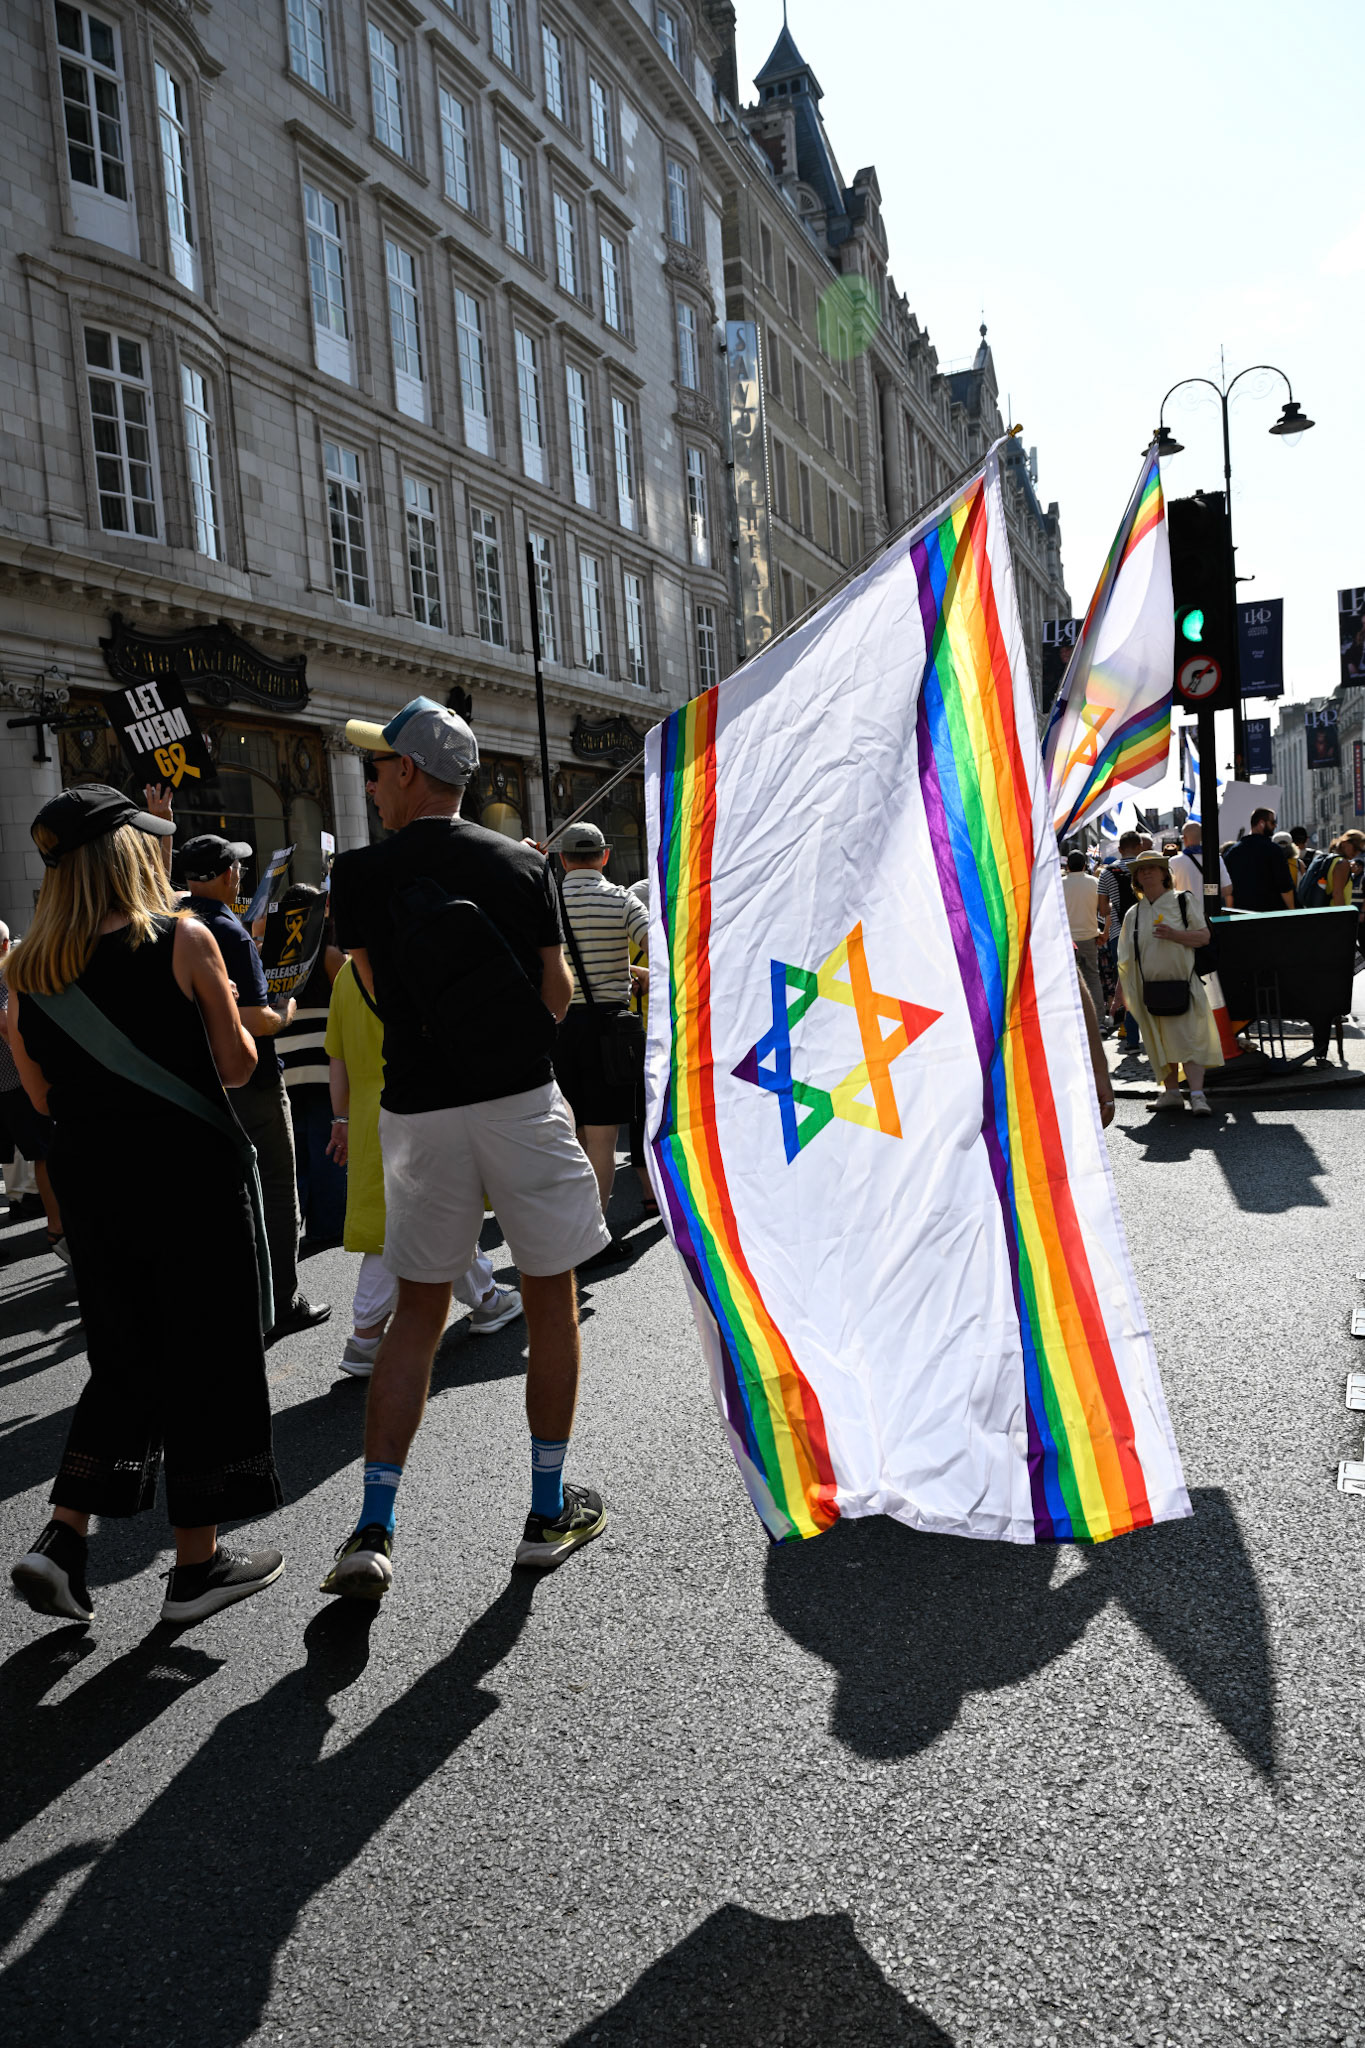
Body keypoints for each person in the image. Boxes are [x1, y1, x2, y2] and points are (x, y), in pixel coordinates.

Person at [325, 697, 610, 1599]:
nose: (371, 784)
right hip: (519, 1099)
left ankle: (374, 1525)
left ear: (411, 771)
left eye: (378, 768)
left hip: (417, 1111)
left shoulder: (362, 874)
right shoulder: (521, 865)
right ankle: (545, 1506)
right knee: (548, 1295)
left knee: (416, 1314)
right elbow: (556, 992)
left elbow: (373, 993)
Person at [6, 785, 284, 1626]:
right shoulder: (184, 938)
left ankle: (63, 1536)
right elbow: (235, 1067)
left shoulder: (24, 970)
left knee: (124, 1357)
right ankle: (195, 1570)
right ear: (128, 853)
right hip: (187, 1176)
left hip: (93, 1181)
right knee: (205, 1355)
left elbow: (42, 1095)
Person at [324, 953, 523, 1376]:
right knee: (395, 1228)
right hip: (421, 1112)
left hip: (367, 1119)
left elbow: (337, 1056)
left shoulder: (345, 973)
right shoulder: (419, 959)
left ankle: (487, 1298)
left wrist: (340, 1119)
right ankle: (365, 1338)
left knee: (438, 1214)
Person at [184, 836, 330, 1339]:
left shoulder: (170, 918)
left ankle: (229, 1293)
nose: (242, 876)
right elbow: (253, 1018)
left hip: (195, 1079)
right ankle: (282, 1299)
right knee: (273, 1185)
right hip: (252, 1078)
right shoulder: (226, 929)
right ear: (227, 875)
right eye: (237, 868)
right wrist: (284, 1010)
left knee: (218, 1190)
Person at [553, 821, 651, 1264]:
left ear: (562, 858)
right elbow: (661, 947)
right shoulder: (621, 899)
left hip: (557, 1026)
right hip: (610, 1028)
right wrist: (629, 973)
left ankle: (560, 1231)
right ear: (605, 855)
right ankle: (593, 1237)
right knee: (602, 1139)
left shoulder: (548, 902)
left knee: (562, 1134)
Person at [1115, 851, 1223, 1116]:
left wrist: (1175, 935)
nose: (1147, 872)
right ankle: (1172, 1093)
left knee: (1190, 1039)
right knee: (1159, 1043)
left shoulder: (1183, 901)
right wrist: (1120, 995)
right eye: (1141, 870)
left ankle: (1197, 1096)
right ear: (1136, 878)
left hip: (1183, 984)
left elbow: (1203, 937)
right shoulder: (1134, 913)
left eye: (1153, 867)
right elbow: (1126, 960)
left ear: (1165, 874)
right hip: (1148, 991)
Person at [272, 883, 348, 1249]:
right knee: (327, 1143)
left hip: (283, 1058)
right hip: (323, 1060)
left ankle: (293, 1222)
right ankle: (329, 1225)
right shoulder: (330, 955)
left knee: (295, 1146)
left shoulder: (267, 954)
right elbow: (349, 1006)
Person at [0, 921, 67, 1261]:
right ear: (4, 947)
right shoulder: (5, 981)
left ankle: (45, 1215)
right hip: (13, 1084)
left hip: (8, 1085)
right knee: (43, 1153)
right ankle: (56, 1225)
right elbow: (8, 1030)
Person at [1100, 833, 1143, 1052]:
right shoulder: (1146, 868)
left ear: (1119, 849)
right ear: (1139, 846)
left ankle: (1133, 1040)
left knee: (1127, 986)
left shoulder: (1107, 873)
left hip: (1119, 934)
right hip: (1146, 933)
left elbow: (1102, 909)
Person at [1222, 807, 1294, 912]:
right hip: (1269, 914)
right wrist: (1292, 910)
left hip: (1242, 914)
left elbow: (1228, 889)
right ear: (1261, 823)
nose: (1275, 826)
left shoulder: (1232, 852)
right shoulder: (1273, 850)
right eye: (1273, 822)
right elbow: (1285, 886)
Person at [1061, 850, 1103, 1020]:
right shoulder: (1095, 882)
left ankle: (1074, 1019)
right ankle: (1098, 1017)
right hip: (1090, 936)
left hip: (1067, 940)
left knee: (1069, 981)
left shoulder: (1060, 884)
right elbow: (1104, 911)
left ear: (1068, 866)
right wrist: (1104, 932)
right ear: (1085, 865)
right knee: (1093, 977)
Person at [1168, 822, 1233, 913]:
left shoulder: (1174, 862)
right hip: (1209, 915)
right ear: (1202, 837)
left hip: (1184, 916)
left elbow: (1168, 892)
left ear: (1184, 839)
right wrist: (1209, 893)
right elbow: (1228, 889)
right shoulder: (1215, 859)